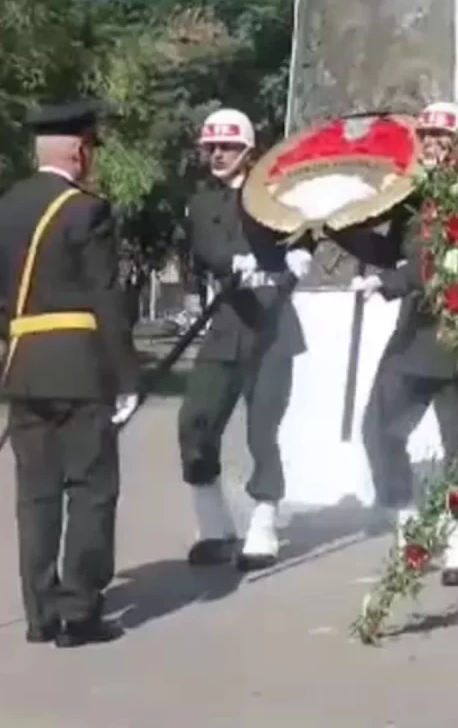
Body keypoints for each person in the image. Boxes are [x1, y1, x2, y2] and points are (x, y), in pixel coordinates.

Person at [0, 99, 139, 648]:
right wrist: (126, 377)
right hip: (81, 371)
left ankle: (40, 615)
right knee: (91, 489)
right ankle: (79, 614)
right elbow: (104, 298)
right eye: (90, 149)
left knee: (36, 494)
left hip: (23, 370)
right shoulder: (87, 211)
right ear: (78, 150)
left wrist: (22, 342)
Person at [348, 101, 458, 587]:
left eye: (441, 138)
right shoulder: (413, 196)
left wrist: (389, 283)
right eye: (425, 137)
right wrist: (342, 227)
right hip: (412, 336)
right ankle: (408, 522)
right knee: (378, 429)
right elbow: (391, 250)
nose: (431, 145)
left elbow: (440, 265)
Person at [178, 107, 312, 572]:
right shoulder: (201, 203)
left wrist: (298, 259)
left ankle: (263, 523)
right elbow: (208, 251)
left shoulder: (275, 196)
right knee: (195, 422)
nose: (218, 154)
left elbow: (303, 233)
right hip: (226, 323)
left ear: (248, 152)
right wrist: (238, 262)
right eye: (211, 147)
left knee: (262, 431)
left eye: (228, 147)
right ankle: (213, 526)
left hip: (273, 328)